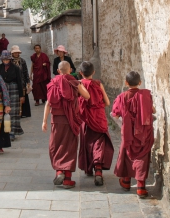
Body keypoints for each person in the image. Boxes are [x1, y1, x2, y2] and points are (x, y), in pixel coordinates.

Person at [42, 61, 90, 189]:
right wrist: (80, 84)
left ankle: (59, 172)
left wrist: (44, 121)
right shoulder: (74, 82)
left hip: (56, 120)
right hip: (71, 120)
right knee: (70, 146)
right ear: (70, 71)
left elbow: (48, 103)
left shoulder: (53, 83)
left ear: (58, 71)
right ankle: (68, 179)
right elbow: (87, 96)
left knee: (56, 146)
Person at [111, 71, 156, 198]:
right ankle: (141, 187)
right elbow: (152, 110)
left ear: (126, 82)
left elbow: (115, 113)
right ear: (140, 82)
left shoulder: (122, 97)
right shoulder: (145, 95)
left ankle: (126, 182)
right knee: (142, 156)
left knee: (127, 154)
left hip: (129, 133)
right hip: (143, 132)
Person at [78, 61, 114, 186]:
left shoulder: (80, 85)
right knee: (99, 144)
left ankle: (89, 169)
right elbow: (108, 102)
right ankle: (98, 170)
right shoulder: (99, 84)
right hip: (99, 117)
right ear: (93, 72)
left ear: (80, 73)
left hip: (86, 119)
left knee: (88, 143)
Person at [0, 50, 25, 141]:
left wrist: (21, 95)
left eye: (7, 59)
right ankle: (4, 132)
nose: (5, 61)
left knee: (13, 111)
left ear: (10, 59)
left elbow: (19, 81)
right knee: (2, 111)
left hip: (14, 90)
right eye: (4, 59)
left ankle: (12, 132)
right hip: (2, 90)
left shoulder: (16, 68)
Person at [11, 45, 31, 118]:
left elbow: (25, 72)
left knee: (23, 97)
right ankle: (16, 112)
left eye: (17, 52)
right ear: (12, 53)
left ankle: (24, 113)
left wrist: (28, 81)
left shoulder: (22, 61)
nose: (16, 54)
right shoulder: (10, 61)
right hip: (13, 82)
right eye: (15, 53)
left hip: (22, 82)